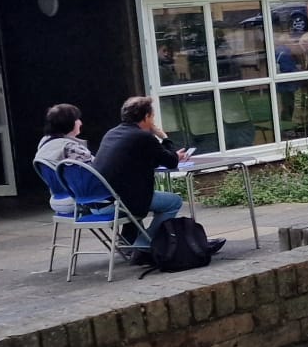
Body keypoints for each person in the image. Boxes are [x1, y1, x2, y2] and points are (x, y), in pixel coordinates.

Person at [93, 95, 202, 256]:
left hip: (100, 201)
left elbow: (144, 159)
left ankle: (130, 240)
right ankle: (145, 244)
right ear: (146, 117)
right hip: (122, 202)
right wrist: (164, 137)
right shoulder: (143, 137)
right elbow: (171, 161)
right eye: (152, 117)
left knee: (140, 195)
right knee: (174, 202)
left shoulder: (112, 133)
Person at [33, 103, 93, 170]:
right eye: (77, 119)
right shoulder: (70, 147)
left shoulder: (44, 142)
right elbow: (95, 172)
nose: (80, 122)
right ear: (69, 123)